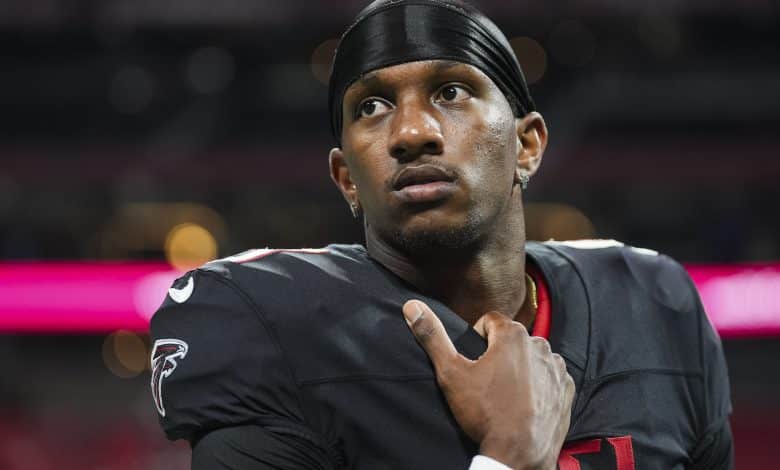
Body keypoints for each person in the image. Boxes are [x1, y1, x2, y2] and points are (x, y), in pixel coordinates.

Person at [149, 0, 734, 468]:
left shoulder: (655, 306)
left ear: (527, 145)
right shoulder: (268, 329)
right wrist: (508, 458)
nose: (411, 132)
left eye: (451, 92)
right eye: (372, 106)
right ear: (346, 178)